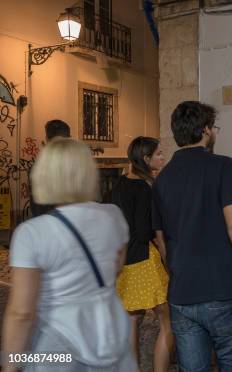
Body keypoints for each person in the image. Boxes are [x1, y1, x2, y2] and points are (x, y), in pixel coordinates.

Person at [151, 101, 232, 371]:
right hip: (223, 290)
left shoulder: (162, 179)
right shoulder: (223, 167)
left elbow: (161, 241)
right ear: (205, 130)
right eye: (214, 127)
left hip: (182, 294)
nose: (215, 133)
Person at [2, 138, 135, 372]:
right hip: (111, 337)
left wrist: (10, 365)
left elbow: (22, 312)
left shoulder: (32, 233)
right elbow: (115, 269)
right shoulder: (113, 216)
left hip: (57, 352)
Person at [111, 136, 173, 372]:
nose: (162, 158)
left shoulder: (120, 184)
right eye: (158, 154)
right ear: (146, 159)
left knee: (131, 321)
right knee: (169, 322)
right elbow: (145, 230)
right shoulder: (146, 188)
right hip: (145, 261)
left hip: (124, 261)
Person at [30, 119, 71, 217]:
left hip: (46, 223)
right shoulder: (76, 164)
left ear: (47, 138)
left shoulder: (38, 168)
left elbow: (37, 208)